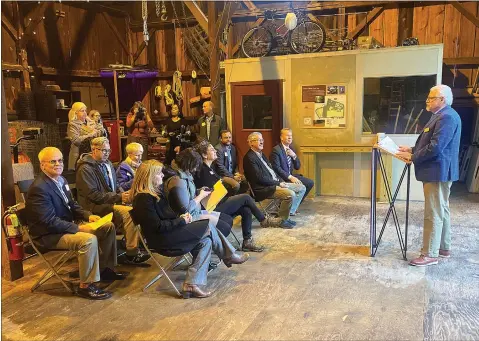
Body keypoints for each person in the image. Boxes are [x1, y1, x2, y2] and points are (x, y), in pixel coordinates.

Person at [131, 160, 249, 298]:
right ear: (149, 177)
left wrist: (181, 217)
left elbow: (165, 218)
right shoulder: (143, 199)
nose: (162, 176)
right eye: (158, 174)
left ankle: (191, 284)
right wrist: (182, 220)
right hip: (163, 240)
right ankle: (229, 256)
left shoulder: (154, 194)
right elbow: (157, 226)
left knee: (206, 241)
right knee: (208, 226)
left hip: (170, 234)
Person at [25, 147, 127, 300]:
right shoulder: (39, 188)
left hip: (62, 227)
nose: (58, 164)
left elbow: (72, 205)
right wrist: (78, 228)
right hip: (48, 235)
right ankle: (86, 286)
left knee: (107, 227)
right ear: (42, 165)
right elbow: (49, 222)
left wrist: (88, 215)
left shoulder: (61, 180)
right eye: (53, 161)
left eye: (60, 160)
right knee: (87, 240)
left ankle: (105, 269)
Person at [396, 84, 461, 267]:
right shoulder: (441, 115)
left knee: (433, 212)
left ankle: (430, 254)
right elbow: (431, 142)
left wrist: (413, 156)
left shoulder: (446, 117)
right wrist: (412, 149)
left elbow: (436, 147)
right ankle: (443, 248)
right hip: (438, 171)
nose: (428, 100)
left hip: (437, 172)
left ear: (442, 100)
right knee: (442, 209)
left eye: (431, 98)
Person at [194, 141, 282, 251]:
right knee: (246, 198)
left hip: (219, 201)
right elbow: (208, 193)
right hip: (211, 208)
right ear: (204, 155)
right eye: (212, 149)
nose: (215, 150)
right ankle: (264, 220)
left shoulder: (210, 168)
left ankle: (247, 242)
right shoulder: (202, 170)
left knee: (246, 209)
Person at [75, 137, 150, 265]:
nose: (107, 153)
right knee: (129, 212)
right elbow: (93, 195)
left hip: (109, 202)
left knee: (139, 206)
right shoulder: (85, 169)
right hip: (94, 207)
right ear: (93, 149)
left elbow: (115, 185)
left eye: (108, 151)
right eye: (104, 150)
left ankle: (136, 244)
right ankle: (132, 252)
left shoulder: (108, 163)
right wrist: (119, 197)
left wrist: (124, 195)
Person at [162, 148, 234, 238]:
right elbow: (186, 209)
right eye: (195, 165)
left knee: (228, 220)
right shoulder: (178, 180)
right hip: (189, 217)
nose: (196, 169)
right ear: (189, 164)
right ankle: (207, 241)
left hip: (196, 211)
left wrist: (199, 190)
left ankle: (212, 241)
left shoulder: (185, 174)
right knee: (224, 227)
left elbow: (188, 194)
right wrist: (200, 196)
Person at [243, 132, 306, 229]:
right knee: (290, 194)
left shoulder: (262, 155)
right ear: (251, 143)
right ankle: (281, 220)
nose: (261, 142)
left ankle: (286, 215)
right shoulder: (249, 158)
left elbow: (272, 171)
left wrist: (281, 181)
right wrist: (279, 183)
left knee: (301, 188)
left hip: (274, 183)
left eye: (262, 140)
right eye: (258, 140)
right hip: (263, 188)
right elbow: (260, 178)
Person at [270, 128, 314, 208]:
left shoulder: (291, 149)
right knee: (300, 185)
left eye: (291, 136)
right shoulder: (276, 150)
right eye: (287, 135)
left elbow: (297, 167)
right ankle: (286, 207)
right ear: (281, 137)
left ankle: (294, 205)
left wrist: (294, 155)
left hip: (290, 176)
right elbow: (276, 168)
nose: (290, 137)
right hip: (281, 178)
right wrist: (290, 177)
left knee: (310, 183)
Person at [67, 102, 102, 170]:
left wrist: (100, 129)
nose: (85, 113)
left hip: (92, 153)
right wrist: (91, 134)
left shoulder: (90, 122)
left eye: (85, 110)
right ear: (76, 112)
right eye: (82, 111)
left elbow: (98, 135)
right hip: (79, 154)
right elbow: (76, 140)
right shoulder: (72, 124)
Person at [215, 130, 249, 195]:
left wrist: (236, 173)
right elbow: (220, 167)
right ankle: (231, 199)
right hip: (222, 175)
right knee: (236, 185)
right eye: (226, 137)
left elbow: (235, 164)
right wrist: (233, 176)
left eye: (229, 137)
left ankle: (240, 197)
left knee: (246, 180)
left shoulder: (233, 148)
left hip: (232, 173)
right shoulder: (218, 149)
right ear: (221, 139)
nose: (228, 139)